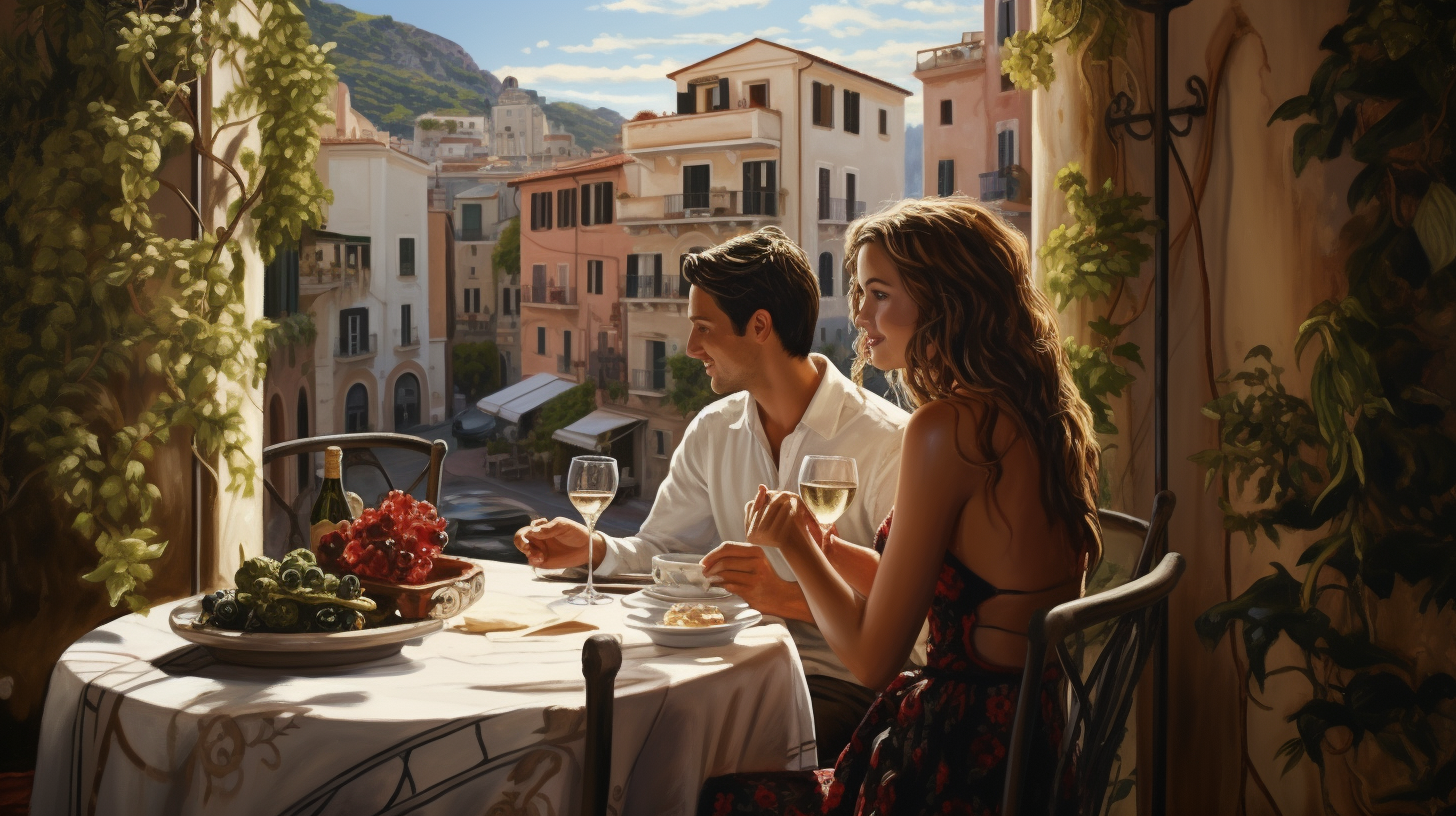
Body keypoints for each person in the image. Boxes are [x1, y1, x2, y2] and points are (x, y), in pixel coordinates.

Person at [695, 198, 1102, 815]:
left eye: (879, 293)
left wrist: (798, 550)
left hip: (956, 768)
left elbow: (870, 660)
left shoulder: (944, 430)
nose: (859, 312)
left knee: (715, 795)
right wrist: (827, 546)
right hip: (1032, 748)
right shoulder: (1034, 417)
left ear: (947, 301)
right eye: (860, 291)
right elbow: (959, 591)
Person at [514, 226, 910, 763]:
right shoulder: (711, 430)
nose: (691, 347)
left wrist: (785, 597)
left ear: (760, 327)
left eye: (703, 328)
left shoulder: (887, 442)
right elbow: (664, 550)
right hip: (731, 672)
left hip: (841, 686)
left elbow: (918, 626)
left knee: (669, 751)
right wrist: (595, 549)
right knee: (592, 728)